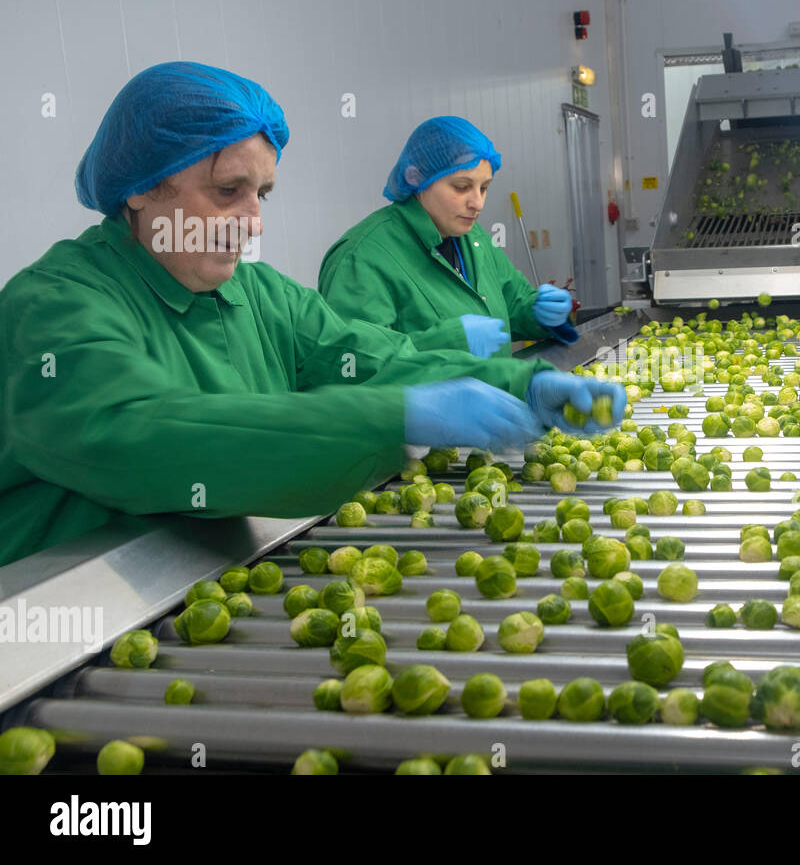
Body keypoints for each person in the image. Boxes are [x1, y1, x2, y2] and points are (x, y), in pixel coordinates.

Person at [0, 62, 623, 567]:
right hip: (56, 640)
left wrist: (521, 383)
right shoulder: (55, 307)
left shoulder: (263, 295)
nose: (254, 222)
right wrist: (398, 418)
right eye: (227, 192)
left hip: (213, 582)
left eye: (261, 194)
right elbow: (141, 435)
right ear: (138, 187)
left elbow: (376, 359)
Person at [319, 116, 577, 359]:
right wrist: (449, 341)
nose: (478, 203)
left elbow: (512, 302)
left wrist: (539, 313)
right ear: (417, 177)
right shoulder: (362, 258)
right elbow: (354, 363)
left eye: (484, 188)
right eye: (462, 187)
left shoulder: (471, 237)